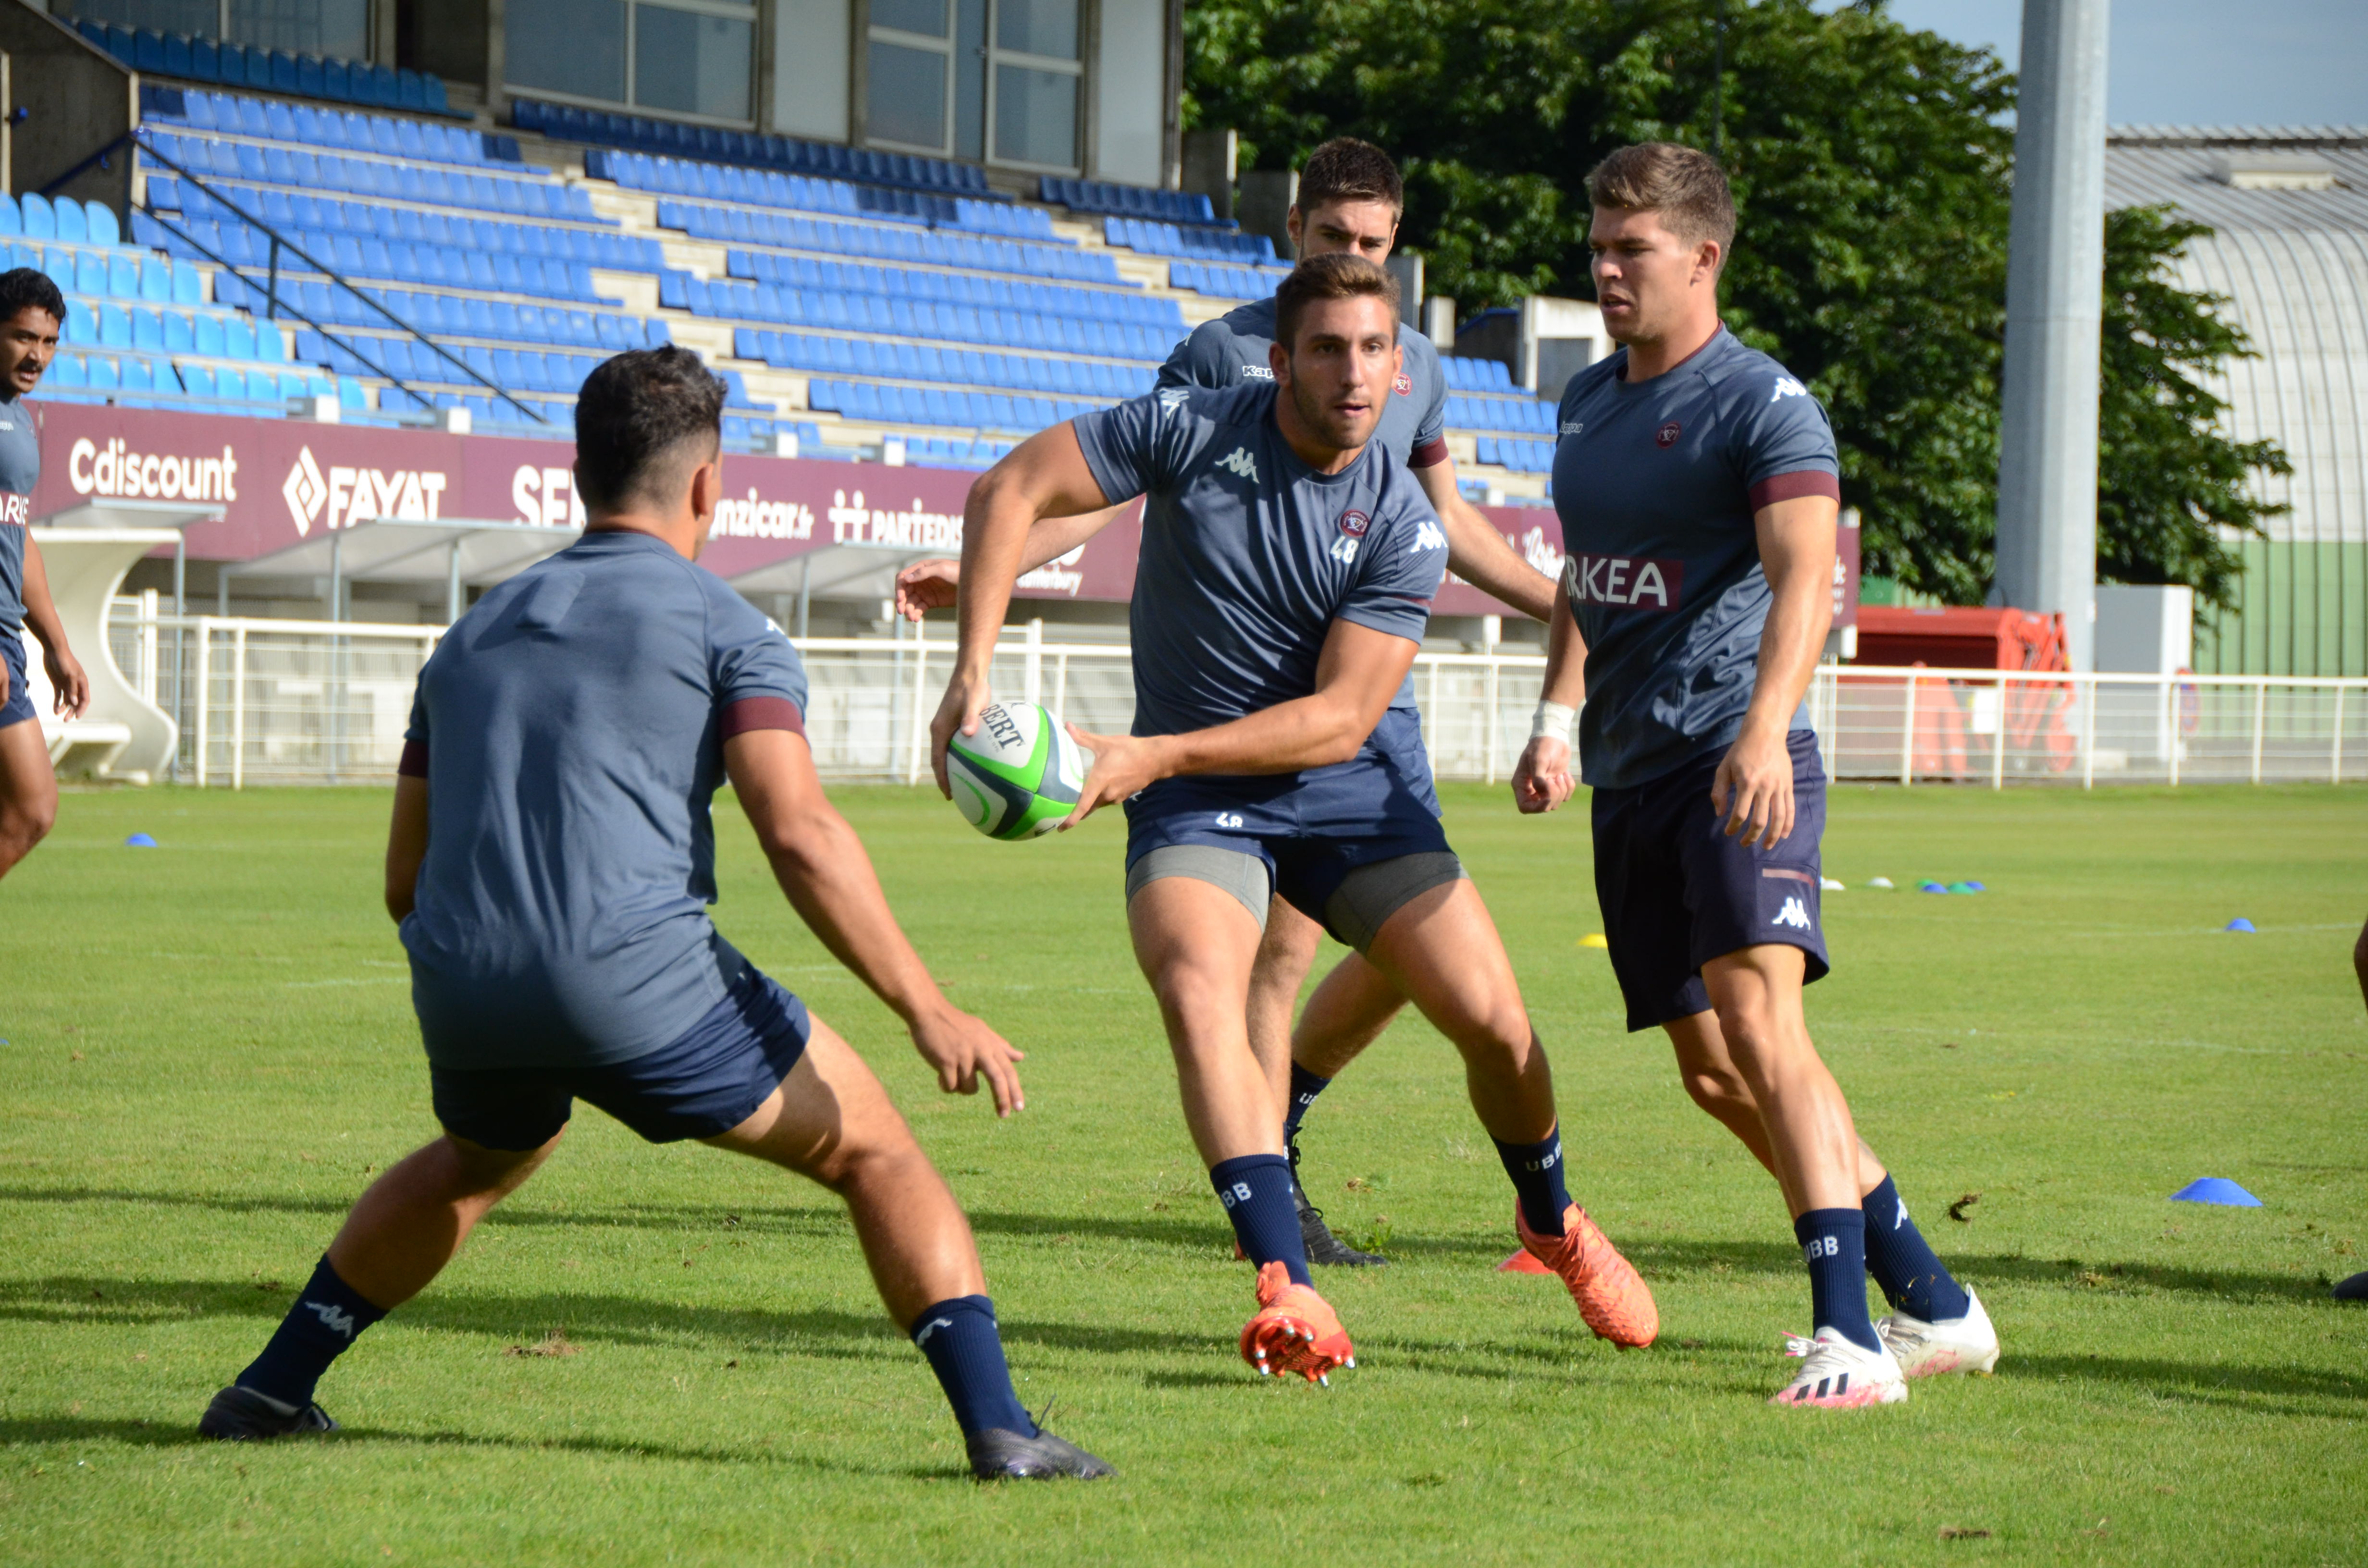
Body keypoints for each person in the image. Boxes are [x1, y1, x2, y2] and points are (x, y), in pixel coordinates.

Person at [197, 348, 1109, 1481]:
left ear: (578, 473)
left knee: (481, 1159)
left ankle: (271, 1386)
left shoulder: (470, 637)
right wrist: (928, 1006)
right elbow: (800, 832)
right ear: (709, 485)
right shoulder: (731, 631)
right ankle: (1003, 1430)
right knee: (879, 1152)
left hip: (463, 977)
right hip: (636, 981)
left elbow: (403, 877)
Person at [936, 255, 1655, 1385]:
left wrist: (1139, 755)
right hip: (1200, 802)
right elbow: (1008, 490)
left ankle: (1552, 1220)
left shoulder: (1405, 524)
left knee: (1498, 1026)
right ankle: (1287, 1284)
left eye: (1377, 351)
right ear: (1280, 360)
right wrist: (971, 676)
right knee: (1200, 990)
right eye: (1328, 349)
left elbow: (1335, 719)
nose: (1357, 374)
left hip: (1345, 793)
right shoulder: (1188, 427)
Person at [897, 140, 1560, 1265]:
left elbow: (1449, 524)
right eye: (1331, 237)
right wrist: (993, 576)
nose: (1350, 255)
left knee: (1413, 968)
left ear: (1394, 247)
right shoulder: (1220, 357)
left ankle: (1284, 1128)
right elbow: (1108, 489)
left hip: (1362, 712)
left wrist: (1567, 604)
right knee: (1264, 964)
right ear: (1293, 229)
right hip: (1230, 714)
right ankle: (1276, 1205)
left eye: (1370, 242)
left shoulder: (1419, 370)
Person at [1509, 144, 1997, 1409]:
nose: (1607, 270)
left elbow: (1807, 581)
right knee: (1713, 1071)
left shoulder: (1765, 405)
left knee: (1765, 1027)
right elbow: (1585, 574)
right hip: (1628, 776)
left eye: (1633, 250)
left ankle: (1851, 1338)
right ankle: (1937, 1303)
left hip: (1741, 761)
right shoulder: (1583, 401)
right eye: (1600, 246)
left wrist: (1766, 729)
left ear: (1704, 256)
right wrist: (1558, 718)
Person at [0, 268, 91, 883]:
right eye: (22, 337)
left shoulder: (21, 420)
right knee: (32, 806)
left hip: (9, 639)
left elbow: (16, 532)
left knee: (30, 810)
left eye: (49, 342)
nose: (37, 356)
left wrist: (56, 643)